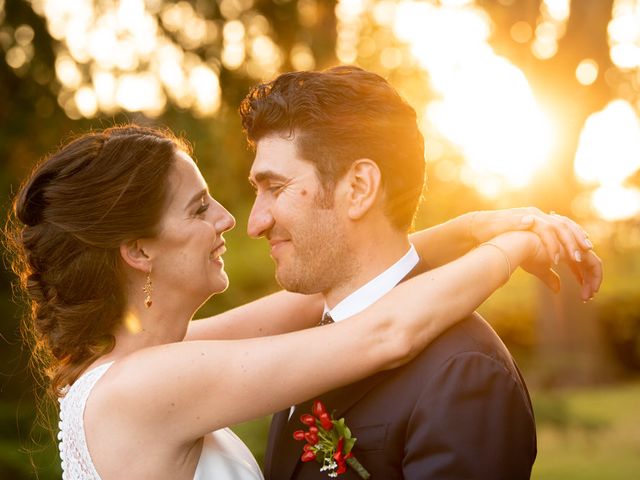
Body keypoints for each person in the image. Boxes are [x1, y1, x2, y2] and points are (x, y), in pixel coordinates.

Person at [4, 123, 598, 480]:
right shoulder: (148, 385)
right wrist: (516, 248)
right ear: (138, 250)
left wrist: (472, 228)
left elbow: (319, 302)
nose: (231, 219)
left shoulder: (135, 365)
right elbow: (381, 334)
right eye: (197, 207)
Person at [237, 66, 602, 479]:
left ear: (358, 188)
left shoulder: (464, 372)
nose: (255, 223)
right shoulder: (302, 342)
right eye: (257, 190)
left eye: (276, 188)